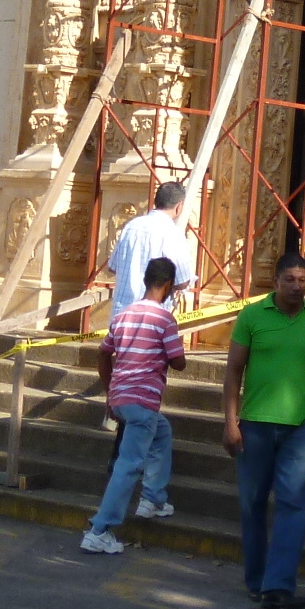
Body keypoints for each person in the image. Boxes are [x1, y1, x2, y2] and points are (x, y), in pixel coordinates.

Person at [223, 251, 305, 609]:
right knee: (252, 505)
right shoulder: (253, 316)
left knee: (295, 503)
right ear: (276, 281)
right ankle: (257, 582)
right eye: (290, 279)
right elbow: (233, 372)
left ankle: (279, 585)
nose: (296, 286)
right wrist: (230, 422)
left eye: (303, 280)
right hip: (254, 426)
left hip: (299, 429)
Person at [83, 255, 189, 555]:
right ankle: (99, 529)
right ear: (167, 285)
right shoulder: (165, 319)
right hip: (144, 400)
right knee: (128, 465)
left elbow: (103, 354)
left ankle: (153, 498)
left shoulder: (124, 315)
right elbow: (178, 362)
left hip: (122, 398)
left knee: (162, 432)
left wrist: (109, 393)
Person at [108, 181, 195, 316]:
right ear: (179, 206)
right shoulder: (173, 233)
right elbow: (182, 282)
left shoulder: (131, 226)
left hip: (121, 314)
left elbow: (112, 267)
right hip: (151, 318)